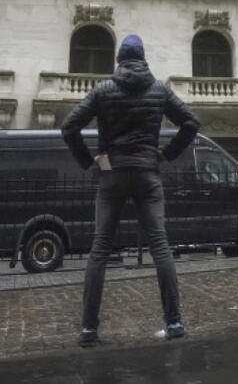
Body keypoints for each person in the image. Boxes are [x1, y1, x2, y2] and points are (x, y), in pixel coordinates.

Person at [61, 34, 200, 347]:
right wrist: (166, 154)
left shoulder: (103, 89)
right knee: (160, 246)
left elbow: (69, 126)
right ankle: (174, 322)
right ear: (144, 59)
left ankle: (88, 329)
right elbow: (191, 122)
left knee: (100, 249)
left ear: (118, 61)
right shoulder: (159, 89)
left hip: (112, 173)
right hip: (148, 172)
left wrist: (90, 161)